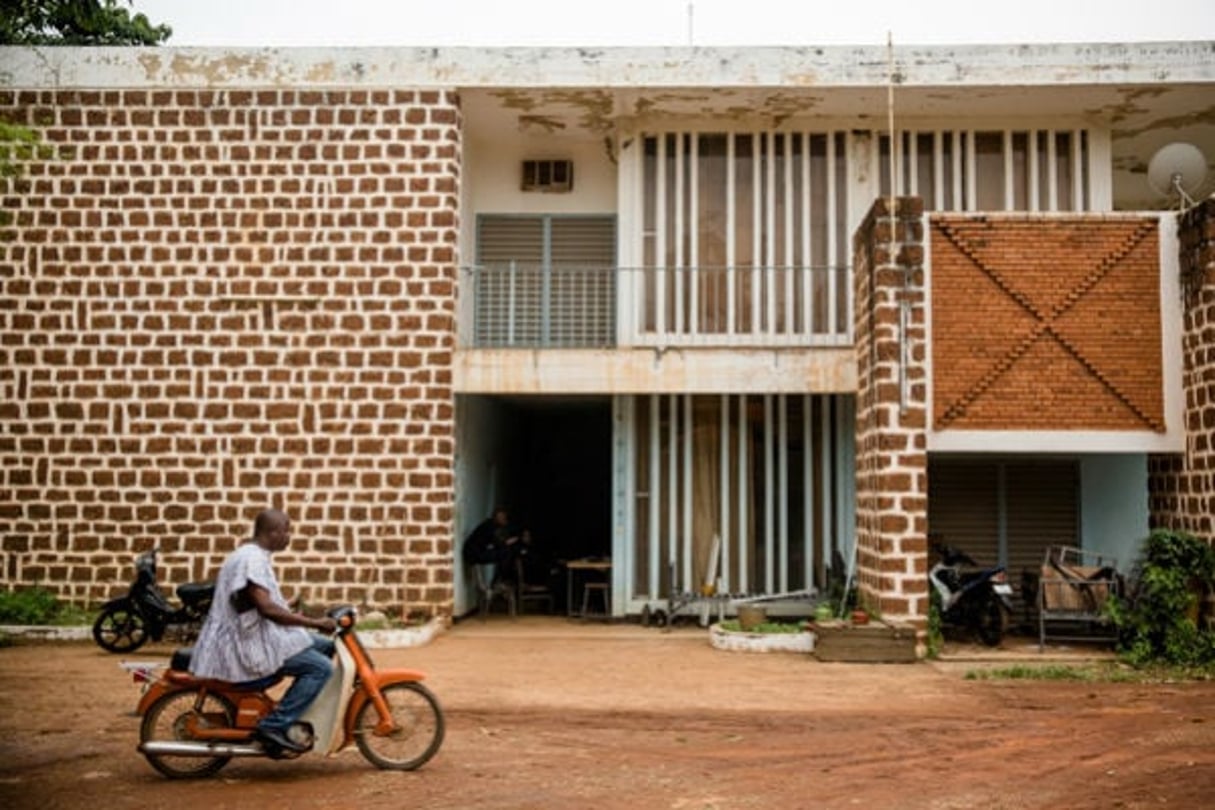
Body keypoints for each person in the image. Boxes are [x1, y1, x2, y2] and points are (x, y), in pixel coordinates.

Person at [190, 508, 338, 754]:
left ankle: (299, 707)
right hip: (247, 644)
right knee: (320, 667)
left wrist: (288, 606)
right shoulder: (253, 560)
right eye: (287, 530)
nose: (289, 536)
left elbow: (250, 603)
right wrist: (315, 623)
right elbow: (267, 609)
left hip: (254, 634)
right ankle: (274, 725)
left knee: (325, 646)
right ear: (273, 532)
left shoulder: (251, 554)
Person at [462, 507, 526, 588]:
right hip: (473, 554)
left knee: (505, 552)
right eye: (503, 518)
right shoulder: (490, 526)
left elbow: (498, 542)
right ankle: (497, 582)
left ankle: (498, 581)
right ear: (498, 517)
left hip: (473, 552)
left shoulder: (491, 525)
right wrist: (513, 540)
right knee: (505, 553)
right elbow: (500, 544)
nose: (505, 520)